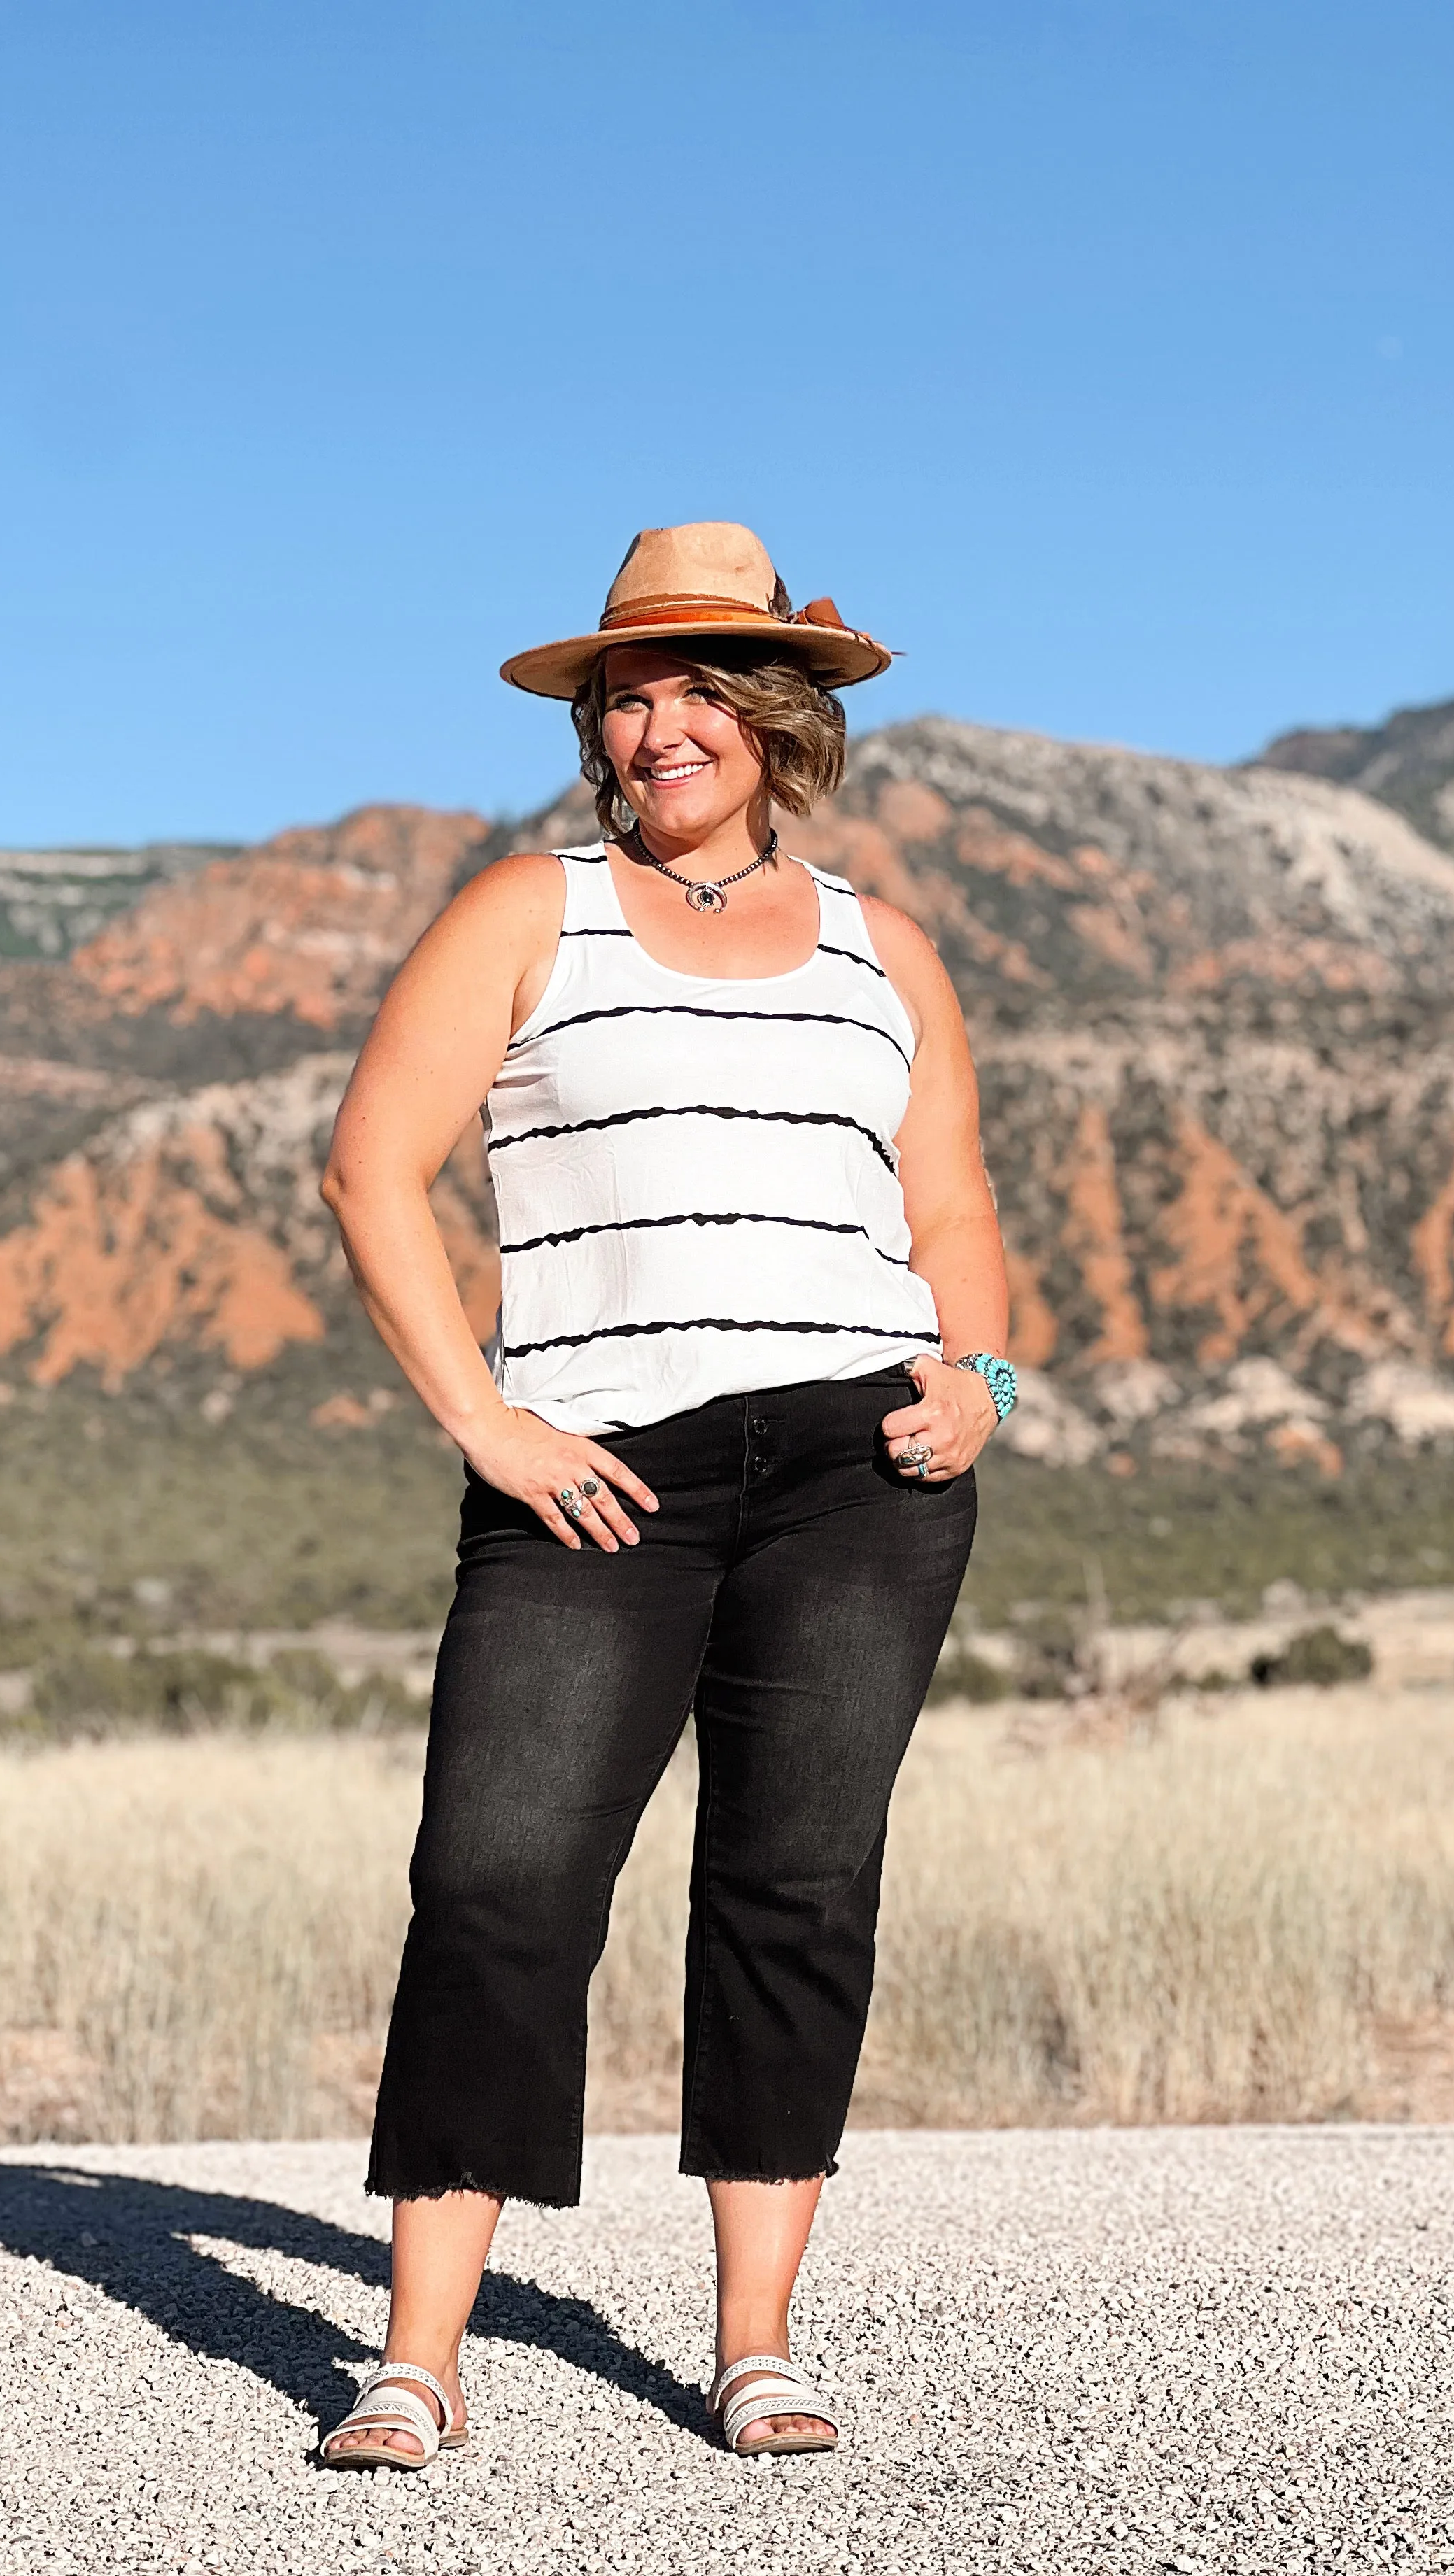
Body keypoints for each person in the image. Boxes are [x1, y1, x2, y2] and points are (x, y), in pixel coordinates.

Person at [316, 521, 1015, 2468]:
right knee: (499, 1881)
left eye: (701, 684)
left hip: (860, 1470)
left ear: (781, 718)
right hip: (594, 1474)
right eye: (631, 691)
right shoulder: (527, 913)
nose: (659, 720)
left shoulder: (893, 950)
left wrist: (987, 1383)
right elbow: (372, 1170)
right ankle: (418, 2357)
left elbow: (951, 1205)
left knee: (795, 1883)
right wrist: (487, 1423)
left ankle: (755, 2342)